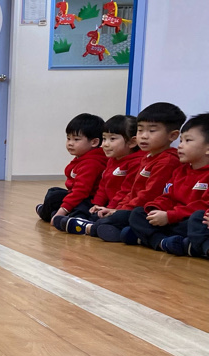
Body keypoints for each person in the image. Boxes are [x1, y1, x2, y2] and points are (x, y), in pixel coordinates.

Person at [93, 102, 185, 242]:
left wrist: (120, 211)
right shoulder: (147, 157)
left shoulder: (168, 161)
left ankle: (90, 228)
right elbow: (132, 190)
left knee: (126, 216)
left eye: (152, 131)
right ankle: (124, 231)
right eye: (140, 130)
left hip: (147, 210)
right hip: (134, 208)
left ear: (172, 136)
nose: (143, 136)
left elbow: (149, 194)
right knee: (106, 215)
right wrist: (118, 208)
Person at [130, 113, 209, 254]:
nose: (180, 146)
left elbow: (203, 206)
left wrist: (169, 216)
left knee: (197, 219)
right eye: (181, 140)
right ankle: (164, 242)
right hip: (172, 219)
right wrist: (155, 208)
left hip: (186, 221)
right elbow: (168, 196)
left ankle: (157, 240)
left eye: (188, 141)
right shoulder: (180, 170)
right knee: (138, 214)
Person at [65, 115, 142, 235]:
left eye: (112, 139)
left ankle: (90, 227)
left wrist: (110, 208)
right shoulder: (111, 160)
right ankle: (85, 222)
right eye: (104, 139)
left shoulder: (137, 163)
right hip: (109, 205)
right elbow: (103, 186)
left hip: (121, 207)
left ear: (132, 142)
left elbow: (126, 191)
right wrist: (97, 204)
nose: (105, 144)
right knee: (60, 196)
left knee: (122, 217)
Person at [36, 113, 107, 229]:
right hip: (78, 196)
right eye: (68, 138)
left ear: (94, 142)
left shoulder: (91, 163)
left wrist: (62, 211)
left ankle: (50, 214)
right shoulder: (83, 157)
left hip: (88, 200)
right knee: (54, 192)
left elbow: (80, 192)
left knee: (55, 197)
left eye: (76, 139)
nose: (70, 143)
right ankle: (50, 212)